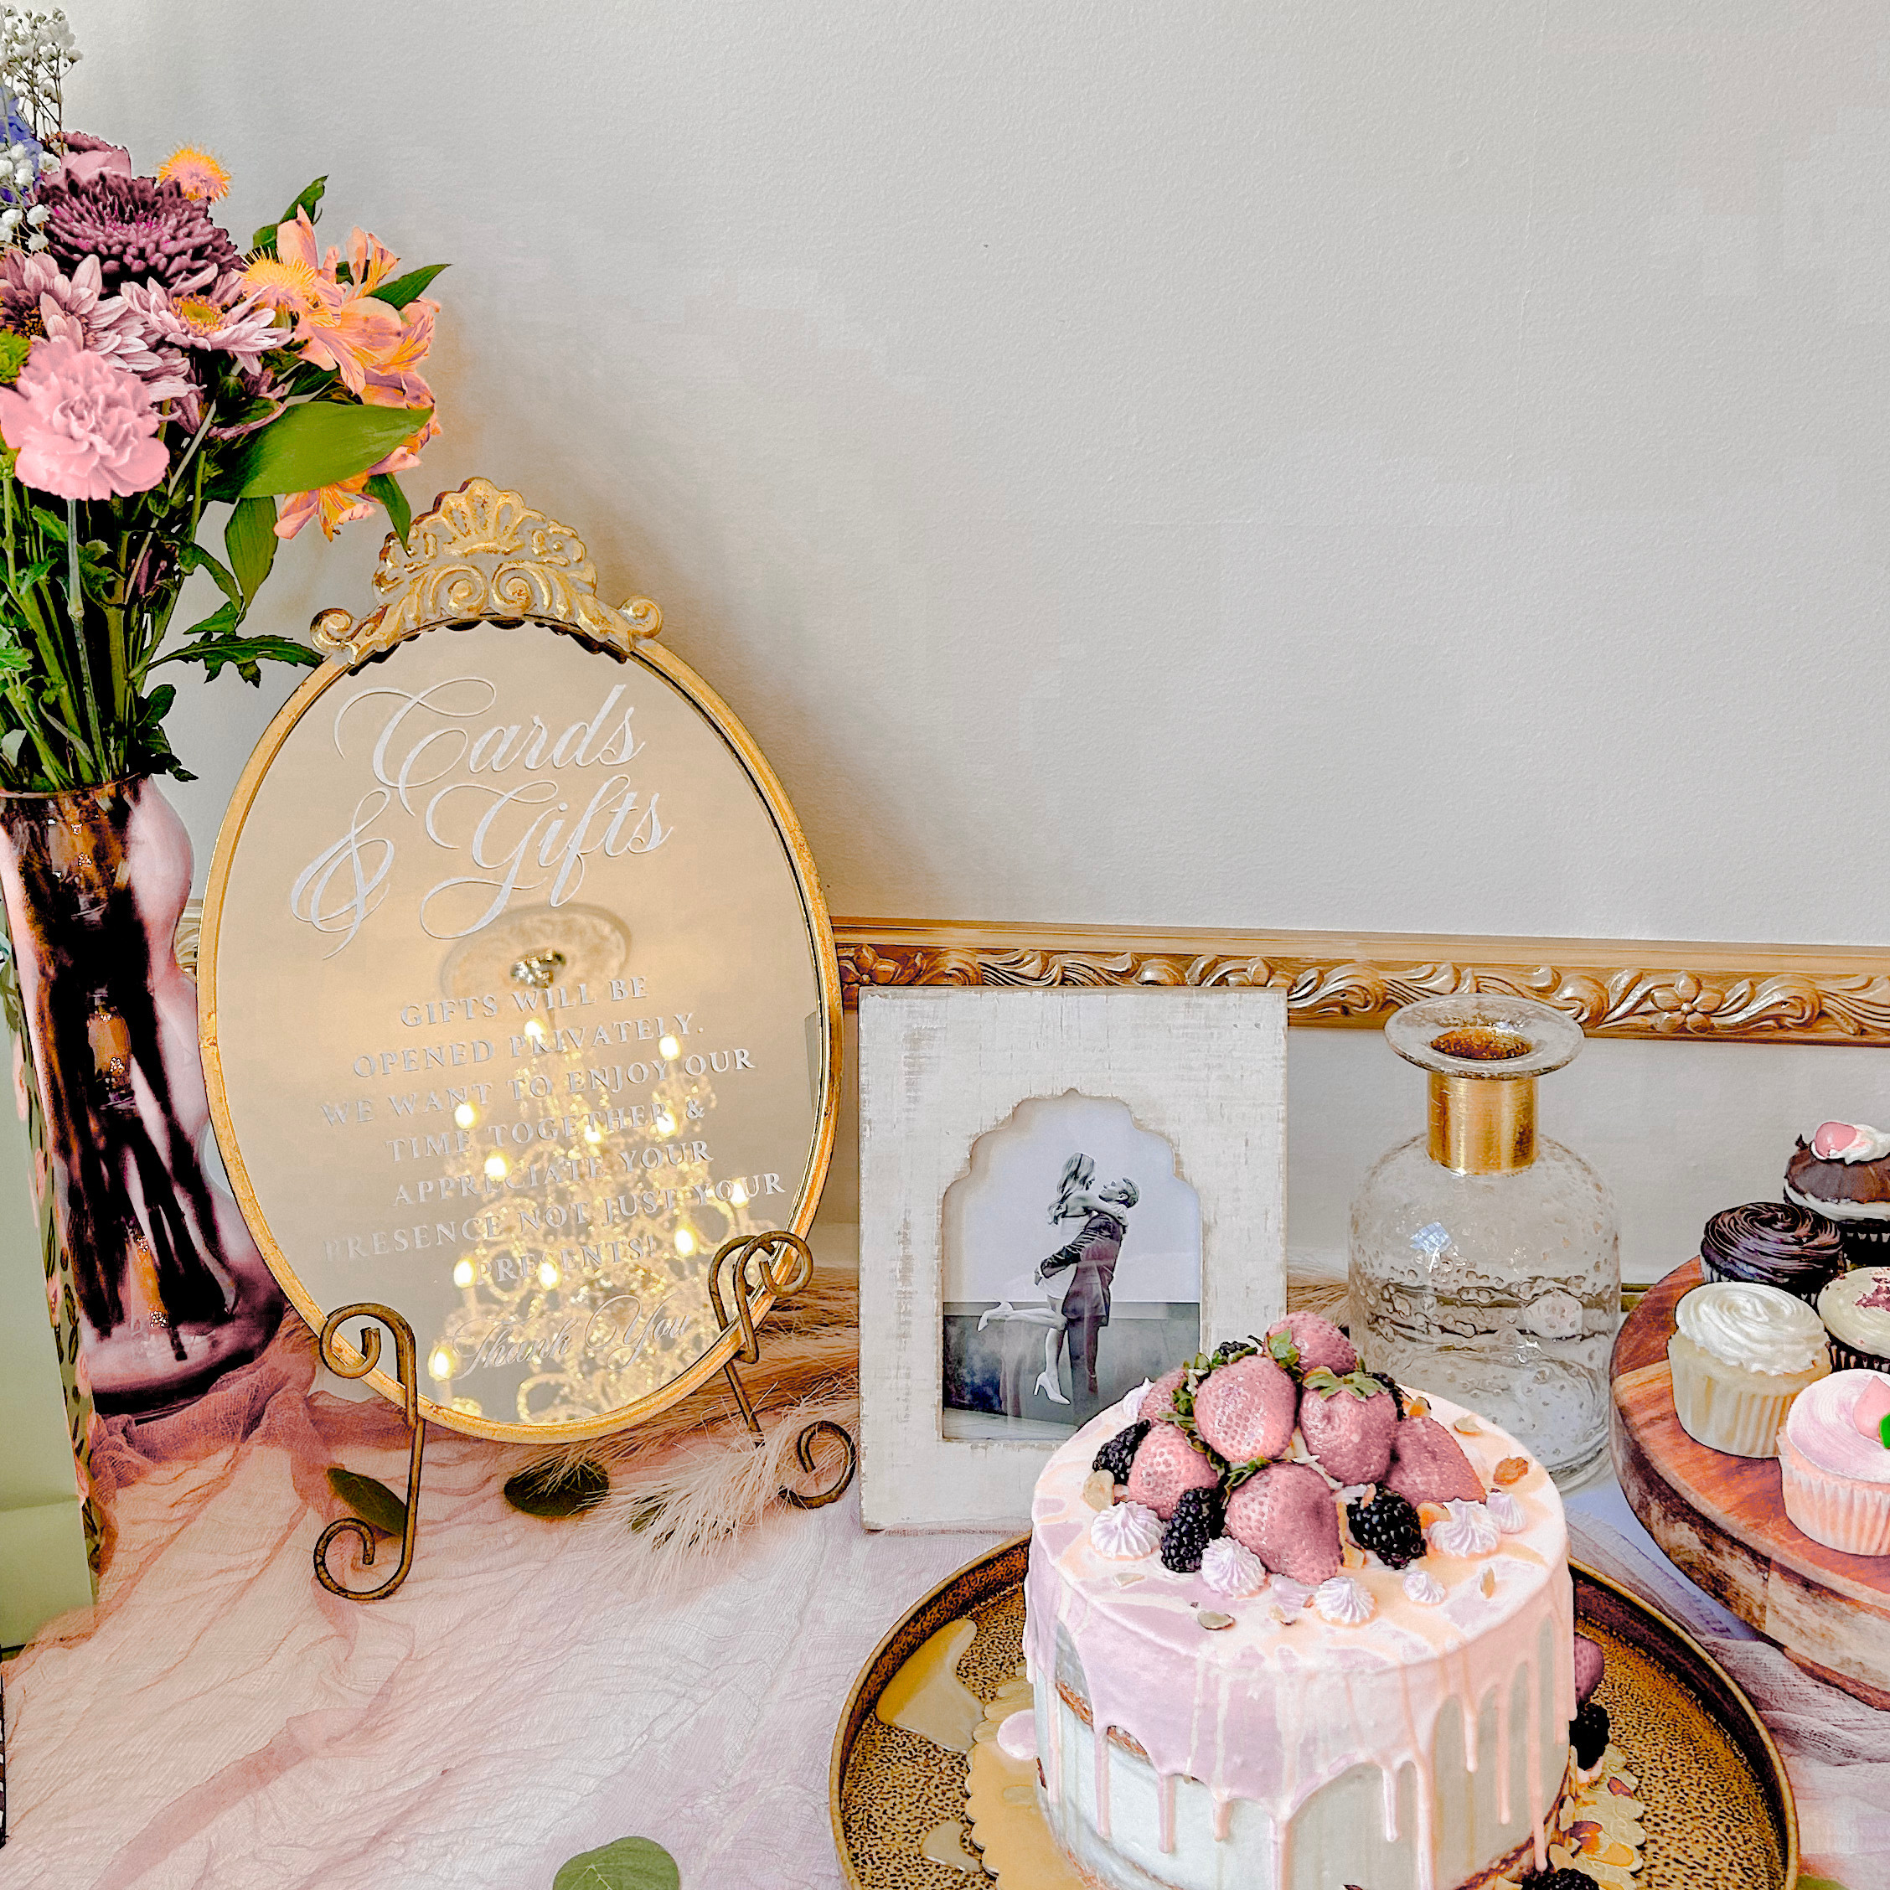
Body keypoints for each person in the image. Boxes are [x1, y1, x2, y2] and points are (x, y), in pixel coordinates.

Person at [1034, 1175, 1139, 1401]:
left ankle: (1085, 1423)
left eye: (1112, 1185)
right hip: (1090, 1298)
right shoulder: (1112, 1220)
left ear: (1121, 1196)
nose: (1104, 1184)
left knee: (1082, 1367)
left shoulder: (1105, 1221)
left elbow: (1080, 1248)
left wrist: (1045, 1267)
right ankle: (1086, 1423)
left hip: (1086, 1298)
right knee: (1084, 1366)